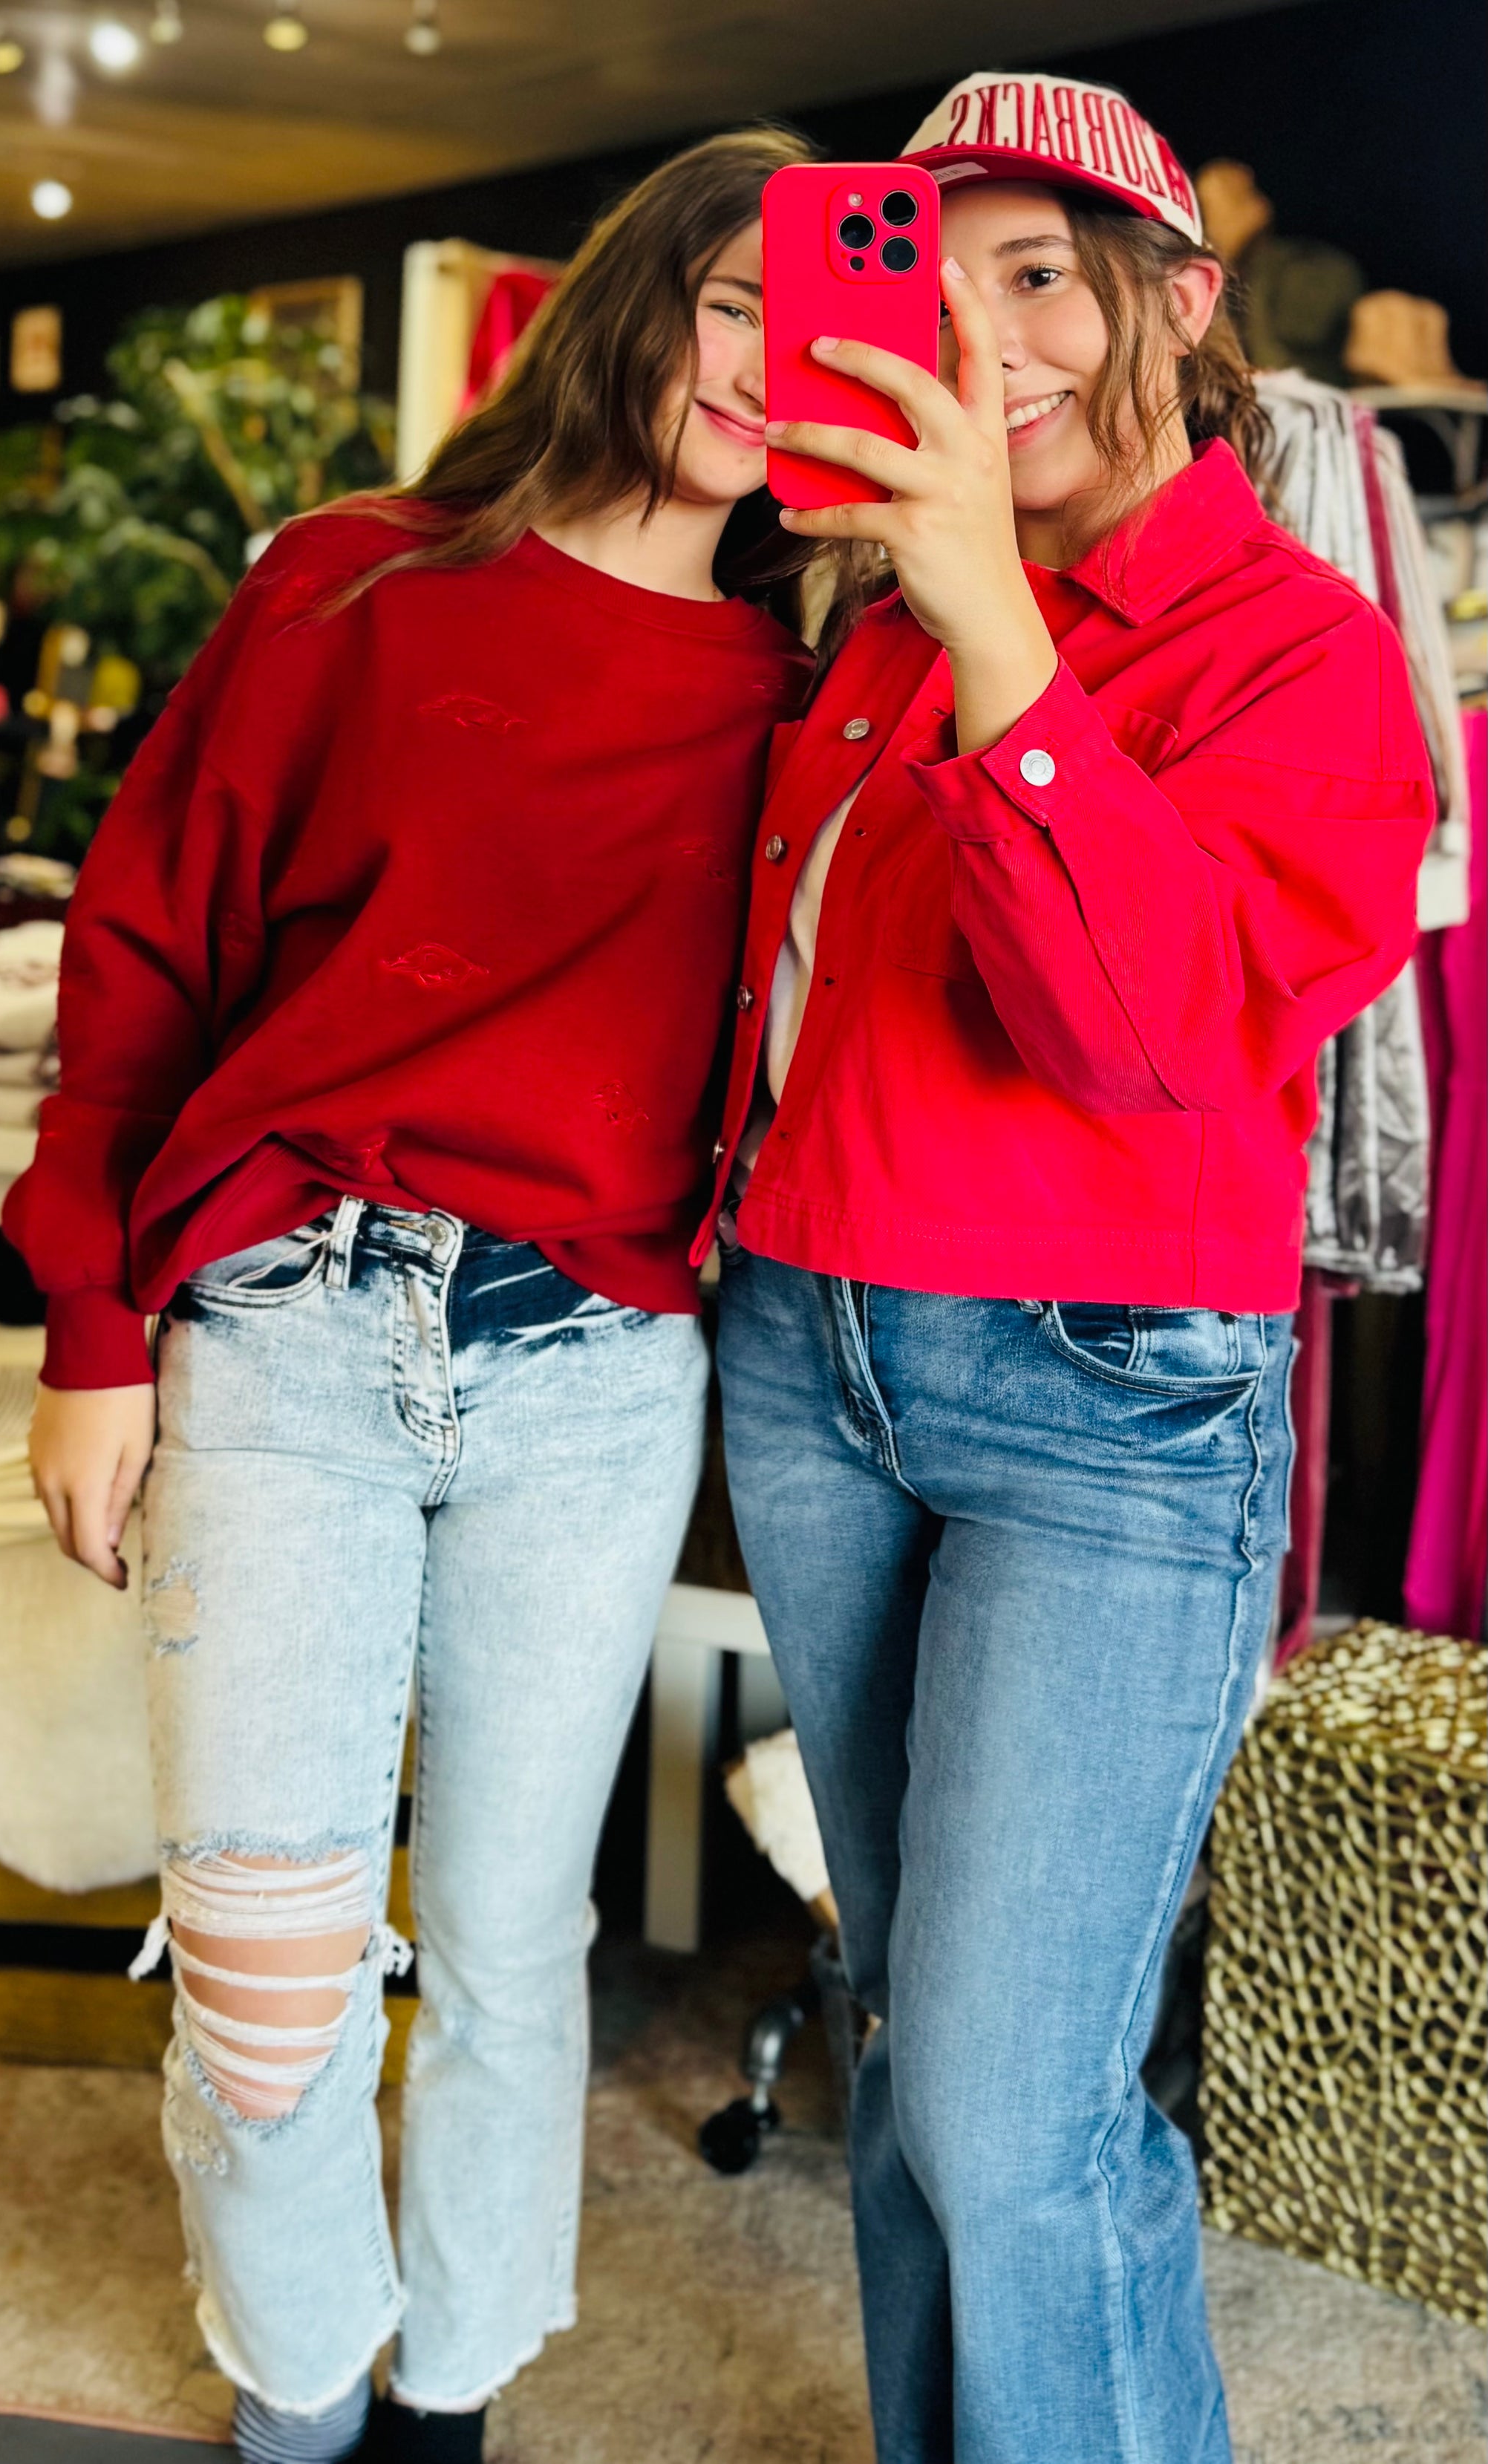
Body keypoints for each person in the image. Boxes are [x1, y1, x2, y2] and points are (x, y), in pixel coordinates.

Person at [8, 129, 812, 2464]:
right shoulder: (353, 584)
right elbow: (148, 935)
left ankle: (448, 2395)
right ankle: (299, 2401)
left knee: (503, 1946)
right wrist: (89, 1323)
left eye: (825, 329)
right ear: (635, 296)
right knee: (265, 1965)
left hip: (592, 1359)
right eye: (735, 302)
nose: (768, 371)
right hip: (288, 1317)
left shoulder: (817, 666)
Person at [708, 71, 1432, 2464]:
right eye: (942, 272)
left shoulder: (1296, 649)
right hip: (816, 1358)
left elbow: (1145, 1040)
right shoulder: (884, 625)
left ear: (1179, 306)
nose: (991, 339)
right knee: (924, 2051)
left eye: (1050, 276)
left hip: (1103, 1413)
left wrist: (1001, 635)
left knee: (1018, 2117)